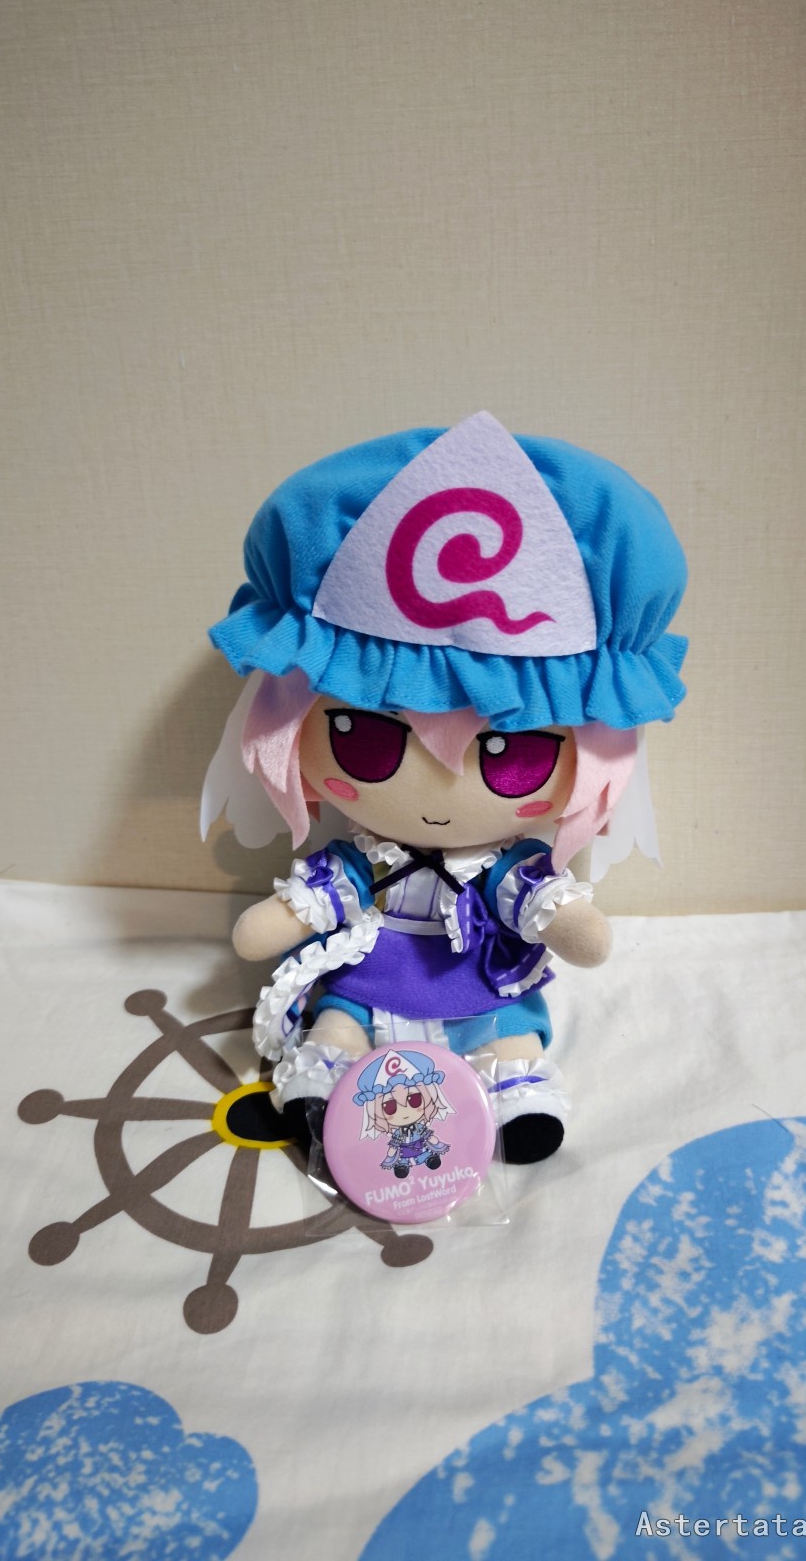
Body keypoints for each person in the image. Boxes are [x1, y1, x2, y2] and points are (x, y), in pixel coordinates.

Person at [203, 411, 688, 1164]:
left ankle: (516, 1090)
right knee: (337, 1022)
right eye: (363, 739)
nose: (435, 790)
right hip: (368, 976)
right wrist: (280, 919)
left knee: (510, 1033)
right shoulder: (366, 862)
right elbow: (301, 909)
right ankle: (322, 1081)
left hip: (481, 982)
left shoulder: (502, 869)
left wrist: (571, 922)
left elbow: (556, 917)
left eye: (513, 755)